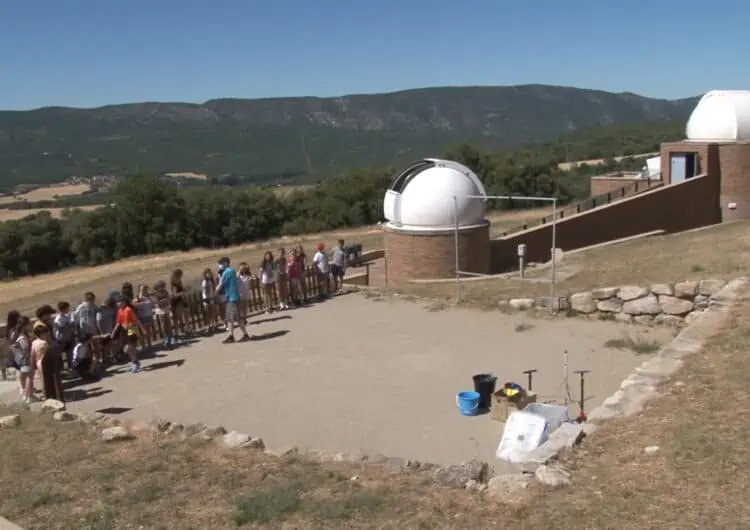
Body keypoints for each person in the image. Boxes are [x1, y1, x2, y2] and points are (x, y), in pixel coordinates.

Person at [216, 257, 250, 344]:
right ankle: (231, 335)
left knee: (236, 318)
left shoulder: (227, 272)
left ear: (226, 263)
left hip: (232, 298)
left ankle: (244, 335)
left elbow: (219, 286)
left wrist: (219, 277)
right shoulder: (231, 271)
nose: (219, 265)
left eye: (221, 263)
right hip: (232, 297)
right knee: (230, 318)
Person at [33, 322, 64, 403]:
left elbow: (32, 355)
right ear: (41, 334)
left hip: (38, 362)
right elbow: (46, 356)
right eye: (45, 333)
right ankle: (51, 398)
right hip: (45, 364)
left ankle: (47, 397)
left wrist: (33, 366)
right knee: (49, 382)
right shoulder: (44, 343)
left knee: (43, 381)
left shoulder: (34, 343)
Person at [112, 295, 144, 373]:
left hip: (132, 329)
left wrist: (140, 330)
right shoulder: (119, 311)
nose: (118, 303)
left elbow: (135, 321)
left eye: (119, 302)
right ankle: (135, 361)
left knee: (128, 348)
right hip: (124, 331)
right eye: (117, 302)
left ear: (124, 302)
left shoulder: (129, 310)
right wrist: (113, 332)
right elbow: (118, 322)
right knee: (127, 349)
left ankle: (135, 362)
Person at [10, 316, 34, 403]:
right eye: (29, 323)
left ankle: (27, 395)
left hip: (21, 361)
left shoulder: (18, 335)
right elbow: (25, 349)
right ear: (25, 325)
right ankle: (28, 396)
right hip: (26, 360)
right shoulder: (22, 337)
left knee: (26, 377)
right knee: (29, 378)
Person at [53, 301, 76, 370]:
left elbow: (71, 326)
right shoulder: (58, 319)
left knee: (70, 354)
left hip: (69, 338)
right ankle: (62, 370)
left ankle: (71, 368)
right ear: (63, 309)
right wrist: (69, 326)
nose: (68, 310)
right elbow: (61, 329)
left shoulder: (67, 316)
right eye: (67, 308)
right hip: (62, 340)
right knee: (61, 356)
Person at [170, 269, 191, 340]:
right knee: (177, 318)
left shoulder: (179, 282)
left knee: (186, 315)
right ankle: (176, 333)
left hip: (183, 300)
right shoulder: (174, 284)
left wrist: (185, 290)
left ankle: (188, 329)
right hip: (177, 302)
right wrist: (183, 292)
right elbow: (175, 295)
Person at [153, 280, 174, 347]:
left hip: (166, 307)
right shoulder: (156, 293)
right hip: (160, 309)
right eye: (160, 286)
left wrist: (164, 300)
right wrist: (164, 300)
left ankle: (171, 337)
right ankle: (165, 338)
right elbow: (158, 303)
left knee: (169, 323)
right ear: (157, 287)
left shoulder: (165, 292)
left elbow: (168, 300)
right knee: (163, 324)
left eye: (163, 286)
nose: (162, 288)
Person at [136, 284, 155, 352]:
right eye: (143, 289)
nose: (144, 290)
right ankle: (144, 346)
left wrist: (148, 289)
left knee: (149, 332)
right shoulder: (139, 297)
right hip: (142, 316)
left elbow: (154, 293)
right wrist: (141, 290)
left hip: (149, 315)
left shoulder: (148, 296)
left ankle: (149, 345)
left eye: (145, 289)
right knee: (143, 332)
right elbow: (139, 299)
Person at [201, 268, 219, 334]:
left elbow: (215, 289)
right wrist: (208, 298)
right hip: (207, 299)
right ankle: (208, 326)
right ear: (205, 275)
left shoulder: (213, 280)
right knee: (208, 313)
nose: (209, 275)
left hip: (212, 298)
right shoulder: (204, 282)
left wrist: (215, 296)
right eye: (207, 274)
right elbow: (205, 291)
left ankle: (213, 325)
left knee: (213, 313)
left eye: (209, 273)